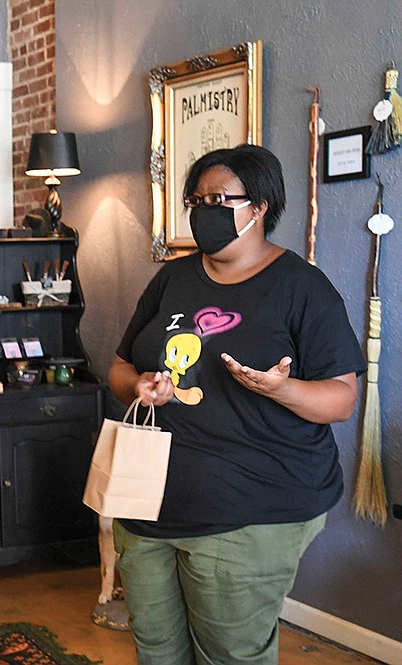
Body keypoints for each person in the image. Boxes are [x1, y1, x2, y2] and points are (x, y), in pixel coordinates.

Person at [108, 144, 366, 665]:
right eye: (197, 199)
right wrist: (139, 384)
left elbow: (341, 400)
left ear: (260, 206)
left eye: (220, 198)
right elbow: (117, 367)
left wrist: (281, 389)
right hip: (146, 502)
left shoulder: (301, 288)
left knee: (230, 655)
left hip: (249, 512)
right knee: (155, 648)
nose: (205, 210)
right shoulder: (172, 279)